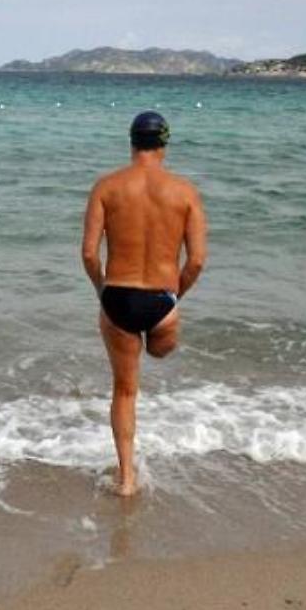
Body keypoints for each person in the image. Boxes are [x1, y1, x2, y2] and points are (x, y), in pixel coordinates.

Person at [81, 111, 207, 496]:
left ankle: (127, 479)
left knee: (124, 390)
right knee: (160, 349)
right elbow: (197, 260)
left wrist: (103, 292)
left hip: (118, 297)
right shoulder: (184, 192)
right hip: (161, 301)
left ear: (132, 142)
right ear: (164, 145)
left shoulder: (107, 186)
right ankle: (155, 339)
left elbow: (89, 254)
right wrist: (173, 299)